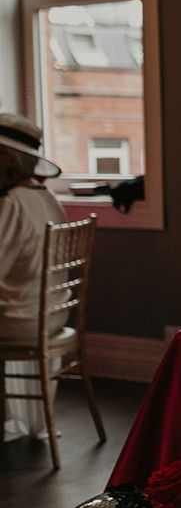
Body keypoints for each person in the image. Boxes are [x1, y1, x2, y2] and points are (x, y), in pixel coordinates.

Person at [0, 112, 68, 343]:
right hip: (55, 312)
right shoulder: (46, 195)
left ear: (9, 160)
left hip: (23, 321)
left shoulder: (13, 201)